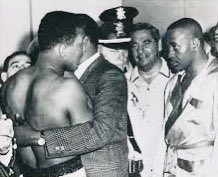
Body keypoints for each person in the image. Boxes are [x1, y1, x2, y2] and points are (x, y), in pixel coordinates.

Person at [10, 11, 128, 177]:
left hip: (98, 172)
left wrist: (37, 138)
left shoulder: (109, 75)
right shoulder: (50, 75)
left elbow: (102, 131)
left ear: (84, 41)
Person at [2, 11, 94, 177]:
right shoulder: (68, 87)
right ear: (63, 50)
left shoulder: (9, 85)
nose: (82, 53)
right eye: (80, 45)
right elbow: (91, 139)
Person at [163, 18, 218, 177]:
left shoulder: (214, 79)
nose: (169, 54)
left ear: (195, 44)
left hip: (204, 170)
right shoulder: (173, 83)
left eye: (174, 46)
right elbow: (165, 139)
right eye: (167, 48)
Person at [127, 22, 172, 177]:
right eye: (134, 45)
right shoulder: (122, 84)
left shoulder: (177, 80)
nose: (140, 51)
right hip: (137, 171)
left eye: (146, 43)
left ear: (158, 44)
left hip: (168, 168)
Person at [98, 6, 138, 78]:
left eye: (125, 49)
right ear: (99, 50)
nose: (122, 57)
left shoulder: (138, 72)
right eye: (113, 51)